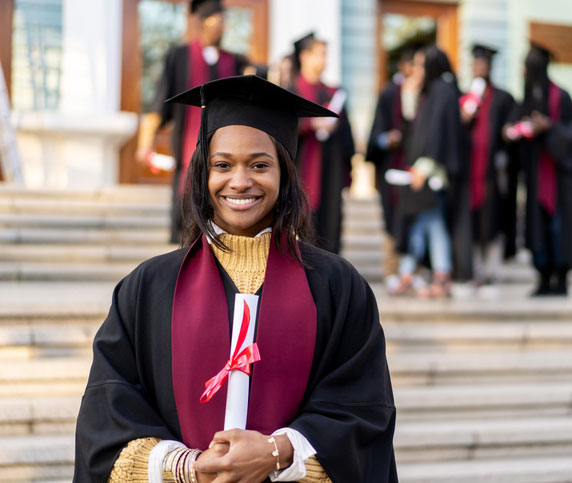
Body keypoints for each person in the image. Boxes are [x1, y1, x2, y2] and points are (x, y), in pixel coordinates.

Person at [74, 75, 397, 483]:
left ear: (285, 173)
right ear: (202, 175)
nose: (240, 181)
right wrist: (187, 467)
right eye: (222, 165)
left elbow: (363, 412)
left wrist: (277, 453)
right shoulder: (147, 288)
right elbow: (106, 412)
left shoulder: (337, 287)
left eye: (259, 165)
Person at [135, 0, 248, 244]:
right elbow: (159, 103)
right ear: (203, 23)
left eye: (223, 22)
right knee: (186, 223)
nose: (222, 27)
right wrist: (145, 144)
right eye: (217, 21)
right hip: (188, 156)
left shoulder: (236, 62)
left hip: (225, 155)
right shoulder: (179, 56)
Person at [504, 43, 572, 296]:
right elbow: (514, 127)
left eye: (526, 67)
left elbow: (569, 133)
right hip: (535, 177)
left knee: (559, 229)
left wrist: (548, 127)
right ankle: (542, 279)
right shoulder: (527, 99)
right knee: (537, 230)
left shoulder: (560, 97)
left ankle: (560, 281)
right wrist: (512, 132)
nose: (522, 72)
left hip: (558, 179)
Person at [390, 46, 464, 298]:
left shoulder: (443, 90)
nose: (417, 70)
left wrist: (424, 167)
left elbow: (439, 134)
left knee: (431, 223)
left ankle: (434, 276)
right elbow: (414, 123)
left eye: (422, 65)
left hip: (432, 171)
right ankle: (414, 274)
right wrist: (410, 93)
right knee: (424, 224)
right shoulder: (432, 90)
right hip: (424, 168)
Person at [460, 44, 519, 295]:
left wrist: (510, 132)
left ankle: (492, 273)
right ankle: (475, 273)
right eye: (476, 64)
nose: (479, 67)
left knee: (492, 222)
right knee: (471, 223)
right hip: (468, 173)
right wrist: (466, 113)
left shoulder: (504, 98)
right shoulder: (465, 98)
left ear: (490, 67)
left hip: (493, 174)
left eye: (483, 64)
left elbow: (512, 128)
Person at [291, 32, 355, 254]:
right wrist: (311, 124)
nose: (324, 60)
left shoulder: (334, 93)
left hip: (331, 173)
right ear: (304, 56)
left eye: (326, 55)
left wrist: (349, 175)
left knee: (330, 229)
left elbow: (348, 138)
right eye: (319, 54)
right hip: (301, 172)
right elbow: (280, 128)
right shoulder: (291, 90)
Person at [365, 48, 418, 287]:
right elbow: (377, 133)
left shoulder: (421, 93)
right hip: (390, 165)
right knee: (391, 217)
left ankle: (411, 270)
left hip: (412, 167)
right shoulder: (388, 93)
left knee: (412, 217)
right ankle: (391, 269)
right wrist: (388, 139)